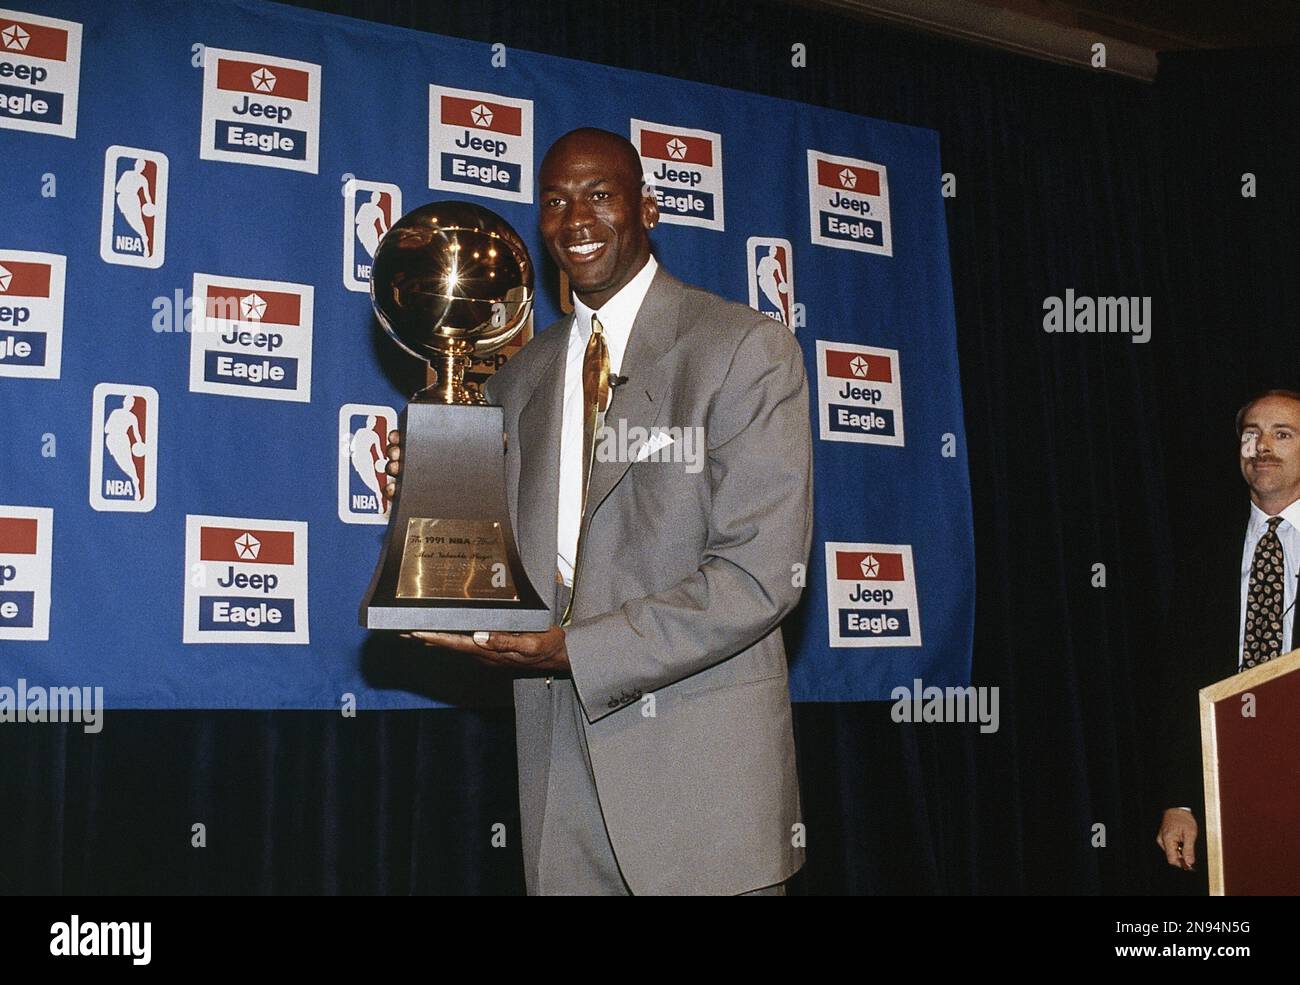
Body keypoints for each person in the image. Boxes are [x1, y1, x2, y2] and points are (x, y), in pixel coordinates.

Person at [388, 128, 812, 894]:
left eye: (599, 194)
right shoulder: (518, 378)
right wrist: (432, 497)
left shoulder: (744, 349)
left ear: (646, 206)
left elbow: (759, 576)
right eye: (554, 200)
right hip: (559, 786)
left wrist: (575, 651)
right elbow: (505, 562)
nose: (574, 218)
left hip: (700, 792)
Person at [1155, 389, 1300, 872]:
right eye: (1251, 434)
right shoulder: (1205, 544)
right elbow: (1179, 677)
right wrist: (1181, 802)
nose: (1262, 447)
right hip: (1225, 791)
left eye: (1282, 434)